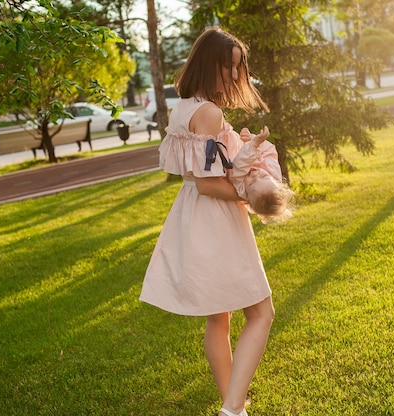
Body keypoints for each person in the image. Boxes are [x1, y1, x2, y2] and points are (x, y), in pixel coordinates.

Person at [139, 27, 274, 416]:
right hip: (216, 220)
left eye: (237, 70)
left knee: (219, 318)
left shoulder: (184, 107)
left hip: (193, 218)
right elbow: (209, 183)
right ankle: (232, 410)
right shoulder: (210, 113)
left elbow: (199, 176)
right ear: (208, 63)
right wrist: (251, 194)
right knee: (262, 313)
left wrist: (240, 149)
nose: (234, 77)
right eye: (228, 68)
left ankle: (235, 408)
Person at [229, 126, 294, 224]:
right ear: (275, 181)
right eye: (264, 176)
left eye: (252, 183)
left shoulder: (241, 189)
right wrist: (253, 139)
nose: (255, 175)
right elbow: (269, 150)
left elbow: (238, 167)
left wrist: (252, 145)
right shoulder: (272, 172)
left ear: (248, 199)